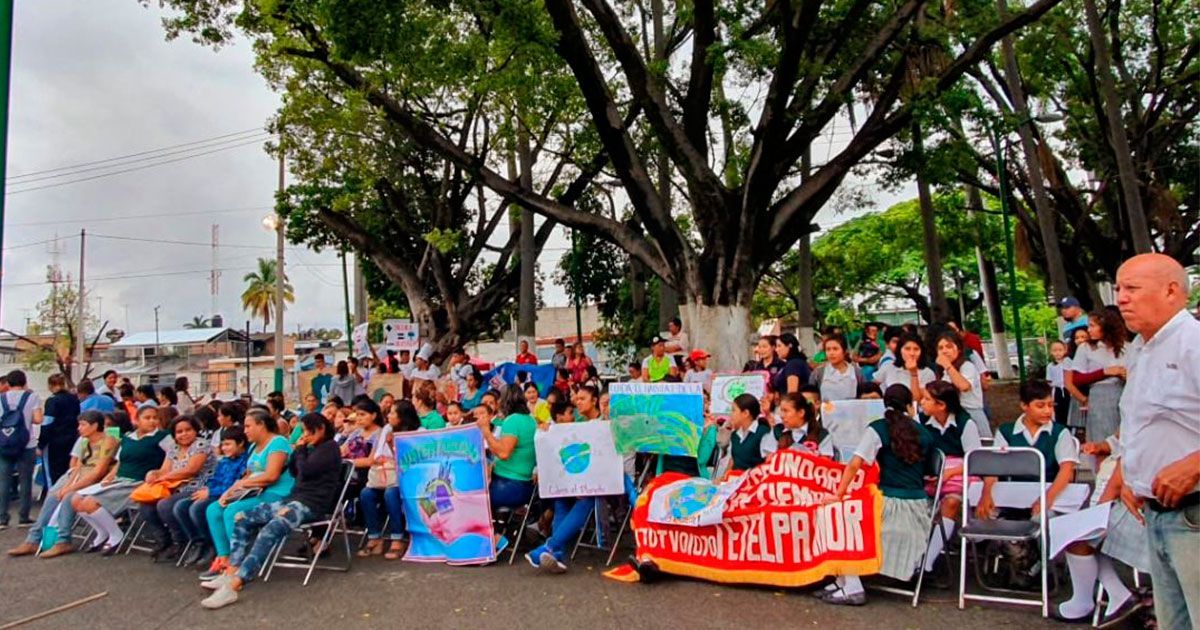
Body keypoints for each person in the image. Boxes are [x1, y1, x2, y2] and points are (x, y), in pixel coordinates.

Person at [1114, 253, 1200, 630]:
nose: (1121, 298)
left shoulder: (1192, 343)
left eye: (1131, 288)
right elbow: (1142, 420)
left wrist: (1194, 465)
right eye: (1118, 289)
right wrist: (1129, 472)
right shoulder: (1141, 349)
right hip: (1157, 515)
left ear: (1172, 291)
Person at [200, 412, 344, 609]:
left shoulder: (330, 448)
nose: (305, 436)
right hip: (293, 499)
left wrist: (301, 449)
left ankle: (234, 585)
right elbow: (295, 470)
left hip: (312, 504)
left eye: (308, 432)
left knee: (271, 528)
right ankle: (231, 570)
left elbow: (307, 470)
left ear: (320, 429)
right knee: (242, 517)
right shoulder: (310, 448)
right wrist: (300, 451)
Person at [821, 384, 935, 606]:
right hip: (918, 507)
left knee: (841, 516)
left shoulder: (878, 428)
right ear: (909, 405)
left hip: (888, 506)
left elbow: (855, 464)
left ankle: (850, 585)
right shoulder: (924, 433)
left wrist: (838, 493)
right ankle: (844, 581)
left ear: (884, 403)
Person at [7, 410, 118, 558]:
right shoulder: (85, 441)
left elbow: (98, 472)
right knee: (54, 495)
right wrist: (67, 486)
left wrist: (70, 488)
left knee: (69, 497)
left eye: (83, 425)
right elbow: (78, 466)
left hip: (95, 479)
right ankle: (33, 539)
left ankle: (63, 540)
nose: (79, 428)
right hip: (80, 476)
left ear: (95, 426)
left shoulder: (109, 441)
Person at [200, 408, 294, 579]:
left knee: (232, 511)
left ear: (261, 425)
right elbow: (249, 474)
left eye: (248, 426)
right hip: (252, 491)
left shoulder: (278, 443)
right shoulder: (253, 447)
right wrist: (230, 492)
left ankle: (237, 564)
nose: (245, 431)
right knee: (213, 509)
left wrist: (242, 484)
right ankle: (224, 557)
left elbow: (272, 475)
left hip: (276, 493)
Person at [70, 406, 170, 554]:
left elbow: (171, 460)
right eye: (147, 418)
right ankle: (102, 532)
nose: (152, 421)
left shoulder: (162, 437)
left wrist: (157, 473)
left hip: (138, 482)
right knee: (76, 499)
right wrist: (109, 478)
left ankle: (116, 535)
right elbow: (120, 462)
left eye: (155, 418)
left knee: (90, 502)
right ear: (137, 420)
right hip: (119, 479)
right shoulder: (128, 438)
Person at [977, 379, 1079, 520]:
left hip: (1050, 491)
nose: (1047, 411)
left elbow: (1067, 471)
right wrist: (986, 493)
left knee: (1040, 520)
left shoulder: (1060, 432)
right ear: (1024, 406)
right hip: (1014, 494)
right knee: (984, 515)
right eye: (1040, 406)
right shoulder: (1006, 431)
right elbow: (995, 468)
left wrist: (1046, 499)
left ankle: (1032, 542)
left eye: (1051, 405)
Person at [917, 381, 982, 573]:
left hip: (958, 473)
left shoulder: (965, 423)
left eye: (927, 399)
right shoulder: (921, 421)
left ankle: (928, 560)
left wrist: (949, 473)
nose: (922, 402)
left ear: (941, 405)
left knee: (951, 503)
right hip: (930, 474)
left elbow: (974, 458)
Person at [137, 415, 211, 563]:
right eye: (179, 431)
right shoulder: (174, 448)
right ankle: (165, 540)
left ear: (196, 430)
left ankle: (184, 540)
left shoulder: (201, 445)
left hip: (197, 487)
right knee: (145, 505)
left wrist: (164, 477)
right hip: (173, 487)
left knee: (165, 505)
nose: (184, 434)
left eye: (188, 430)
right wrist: (153, 474)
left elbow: (191, 470)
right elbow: (164, 470)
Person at [175, 427, 250, 568]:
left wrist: (211, 492)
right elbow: (215, 479)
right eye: (223, 444)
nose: (224, 448)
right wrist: (207, 488)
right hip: (213, 492)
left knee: (197, 509)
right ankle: (199, 542)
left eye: (228, 444)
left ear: (240, 443)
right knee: (181, 507)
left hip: (227, 496)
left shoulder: (245, 462)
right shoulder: (224, 461)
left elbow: (233, 486)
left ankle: (213, 545)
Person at [477, 387, 538, 552]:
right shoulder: (530, 420)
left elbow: (503, 452)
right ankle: (497, 535)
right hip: (523, 485)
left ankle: (495, 538)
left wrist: (486, 432)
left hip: (510, 485)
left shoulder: (513, 421)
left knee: (472, 497)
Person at [360, 400, 421, 561]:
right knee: (366, 493)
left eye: (392, 413)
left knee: (390, 493)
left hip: (410, 479)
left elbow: (412, 462)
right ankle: (375, 537)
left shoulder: (419, 432)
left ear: (402, 417)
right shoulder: (387, 429)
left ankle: (397, 538)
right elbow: (378, 456)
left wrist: (393, 445)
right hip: (386, 475)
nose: (388, 416)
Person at [1064, 309, 1128, 443]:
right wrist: (1104, 372)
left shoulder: (1127, 348)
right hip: (1099, 398)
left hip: (1124, 395)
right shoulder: (1086, 348)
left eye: (1092, 326)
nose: (1089, 330)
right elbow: (1077, 378)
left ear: (1106, 326)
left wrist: (1126, 375)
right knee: (1100, 437)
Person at [0, 370, 44, 529]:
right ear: (24, 382)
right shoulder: (32, 397)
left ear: (8, 383)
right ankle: (23, 517)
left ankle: (2, 518)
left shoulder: (1, 398)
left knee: (3, 481)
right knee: (25, 481)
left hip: (4, 444)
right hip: (27, 444)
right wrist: (25, 418)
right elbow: (39, 419)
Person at [932, 332, 991, 439]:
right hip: (954, 416)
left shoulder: (967, 366)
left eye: (949, 347)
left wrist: (947, 365)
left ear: (958, 349)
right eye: (940, 348)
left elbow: (964, 386)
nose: (944, 351)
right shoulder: (945, 372)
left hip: (972, 414)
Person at [762, 393, 833, 458]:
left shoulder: (821, 434)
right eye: (781, 411)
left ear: (801, 413)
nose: (782, 415)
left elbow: (826, 464)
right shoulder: (777, 431)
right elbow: (769, 461)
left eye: (786, 411)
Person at [874, 334, 935, 408]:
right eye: (907, 349)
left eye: (916, 349)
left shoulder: (927, 373)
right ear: (900, 350)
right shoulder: (889, 367)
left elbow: (916, 401)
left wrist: (914, 373)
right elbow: (874, 383)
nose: (912, 353)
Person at [42, 373, 82, 484]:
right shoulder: (74, 398)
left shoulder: (52, 401)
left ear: (50, 385)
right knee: (68, 470)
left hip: (55, 441)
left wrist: (41, 443)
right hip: (72, 438)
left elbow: (47, 423)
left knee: (53, 473)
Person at [724, 393, 771, 472]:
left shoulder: (763, 433)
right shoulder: (735, 435)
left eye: (734, 410)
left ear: (745, 413)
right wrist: (724, 477)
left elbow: (769, 463)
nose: (731, 414)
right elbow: (733, 460)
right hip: (735, 480)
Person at [810, 336, 864, 402]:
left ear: (844, 351)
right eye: (828, 349)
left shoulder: (855, 372)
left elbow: (863, 394)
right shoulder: (818, 373)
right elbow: (810, 395)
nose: (831, 353)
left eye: (835, 349)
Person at [1045, 340, 1071, 425]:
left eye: (1060, 350)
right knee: (1058, 410)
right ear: (1051, 352)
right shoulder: (1050, 366)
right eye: (1055, 350)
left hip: (1069, 390)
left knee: (1069, 409)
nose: (1058, 353)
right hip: (1057, 391)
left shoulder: (1069, 362)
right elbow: (1049, 381)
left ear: (1065, 350)